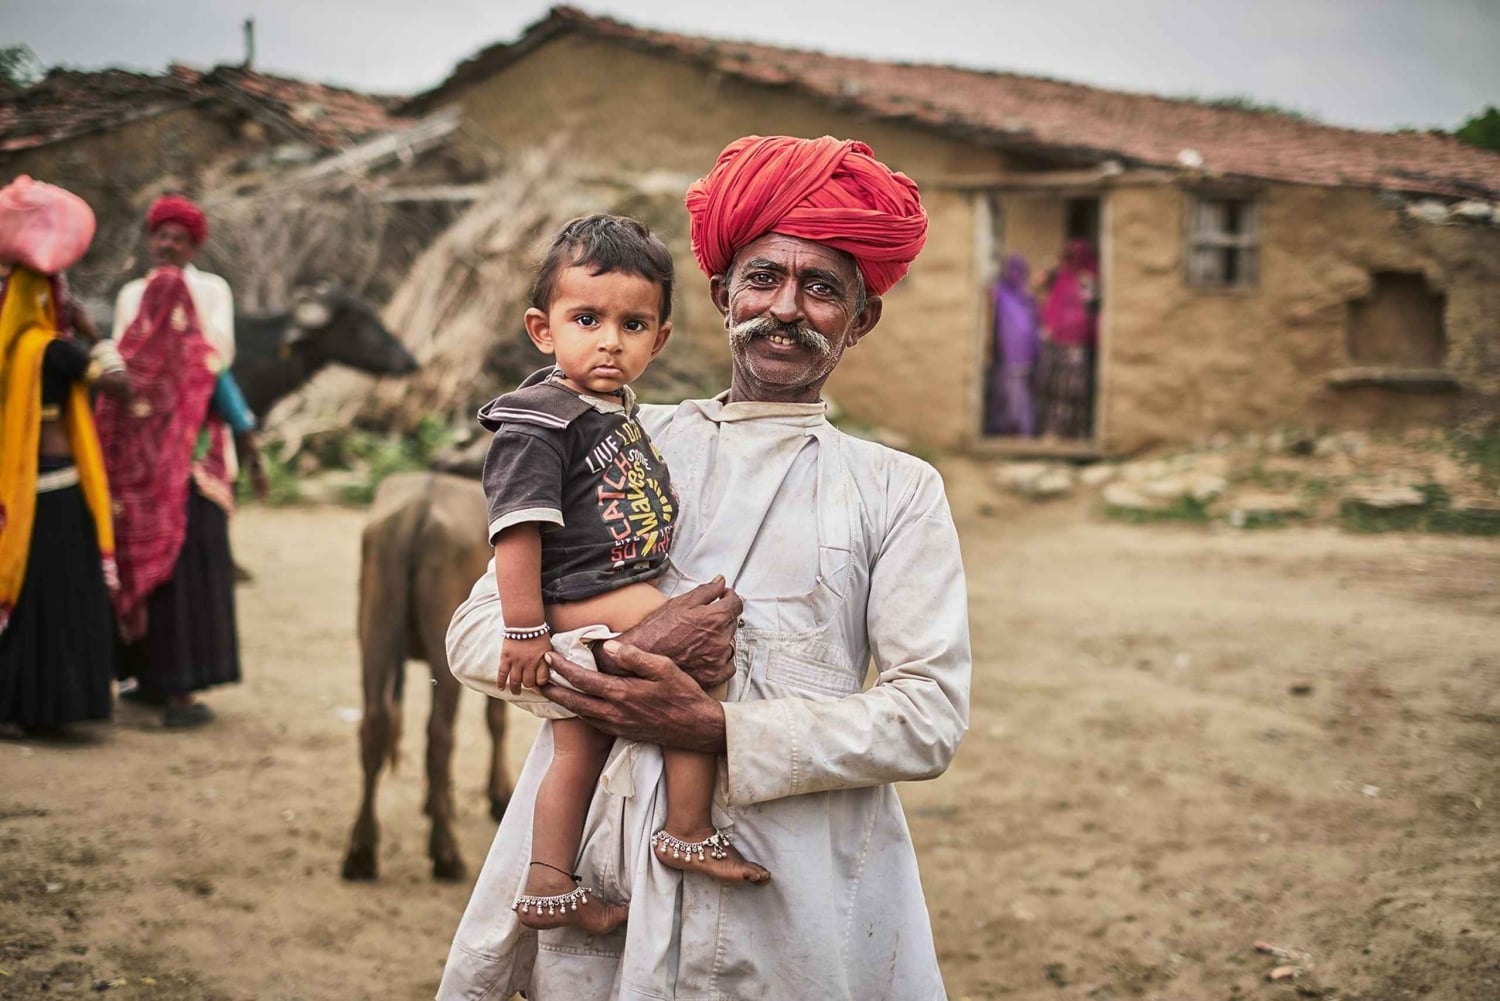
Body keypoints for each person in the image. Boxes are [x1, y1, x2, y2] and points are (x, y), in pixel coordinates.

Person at [438, 135, 970, 1000]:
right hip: (601, 863)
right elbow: (475, 632)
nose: (785, 308)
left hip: (793, 882)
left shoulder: (896, 489)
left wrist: (719, 731)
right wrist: (629, 657)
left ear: (860, 319)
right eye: (763, 279)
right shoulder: (615, 437)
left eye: (822, 288)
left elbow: (929, 716)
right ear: (723, 297)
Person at [481, 214, 769, 934]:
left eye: (633, 324)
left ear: (660, 338)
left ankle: (549, 885)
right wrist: (524, 628)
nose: (610, 340)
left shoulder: (610, 410)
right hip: (583, 591)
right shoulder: (538, 420)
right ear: (543, 329)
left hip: (594, 588)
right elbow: (515, 530)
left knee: (576, 743)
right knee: (700, 655)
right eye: (587, 319)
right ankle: (686, 827)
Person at [95, 265, 263, 728]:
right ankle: (179, 693)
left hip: (135, 501)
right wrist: (251, 457)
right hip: (191, 495)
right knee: (187, 592)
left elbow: (106, 426)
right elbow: (236, 415)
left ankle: (145, 680)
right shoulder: (203, 359)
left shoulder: (124, 364)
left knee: (149, 582)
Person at [0, 178, 130, 736]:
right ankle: (49, 709)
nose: (66, 297)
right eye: (58, 289)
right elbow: (122, 387)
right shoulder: (52, 349)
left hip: (26, 491)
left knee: (29, 601)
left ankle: (15, 706)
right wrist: (94, 334)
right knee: (61, 601)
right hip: (58, 489)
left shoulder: (12, 349)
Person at [1036, 237, 1100, 439]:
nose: (1071, 258)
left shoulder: (1088, 279)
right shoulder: (1062, 277)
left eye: (1074, 254)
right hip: (1058, 342)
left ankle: (1076, 433)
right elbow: (1039, 283)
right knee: (1056, 388)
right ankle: (1056, 431)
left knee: (1076, 390)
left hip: (1078, 344)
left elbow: (1092, 308)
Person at [988, 253, 1040, 436]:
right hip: (1016, 353)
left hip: (1017, 355)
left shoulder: (1014, 295)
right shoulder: (1014, 295)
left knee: (1016, 394)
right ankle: (1015, 430)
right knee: (1012, 393)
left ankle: (1020, 431)